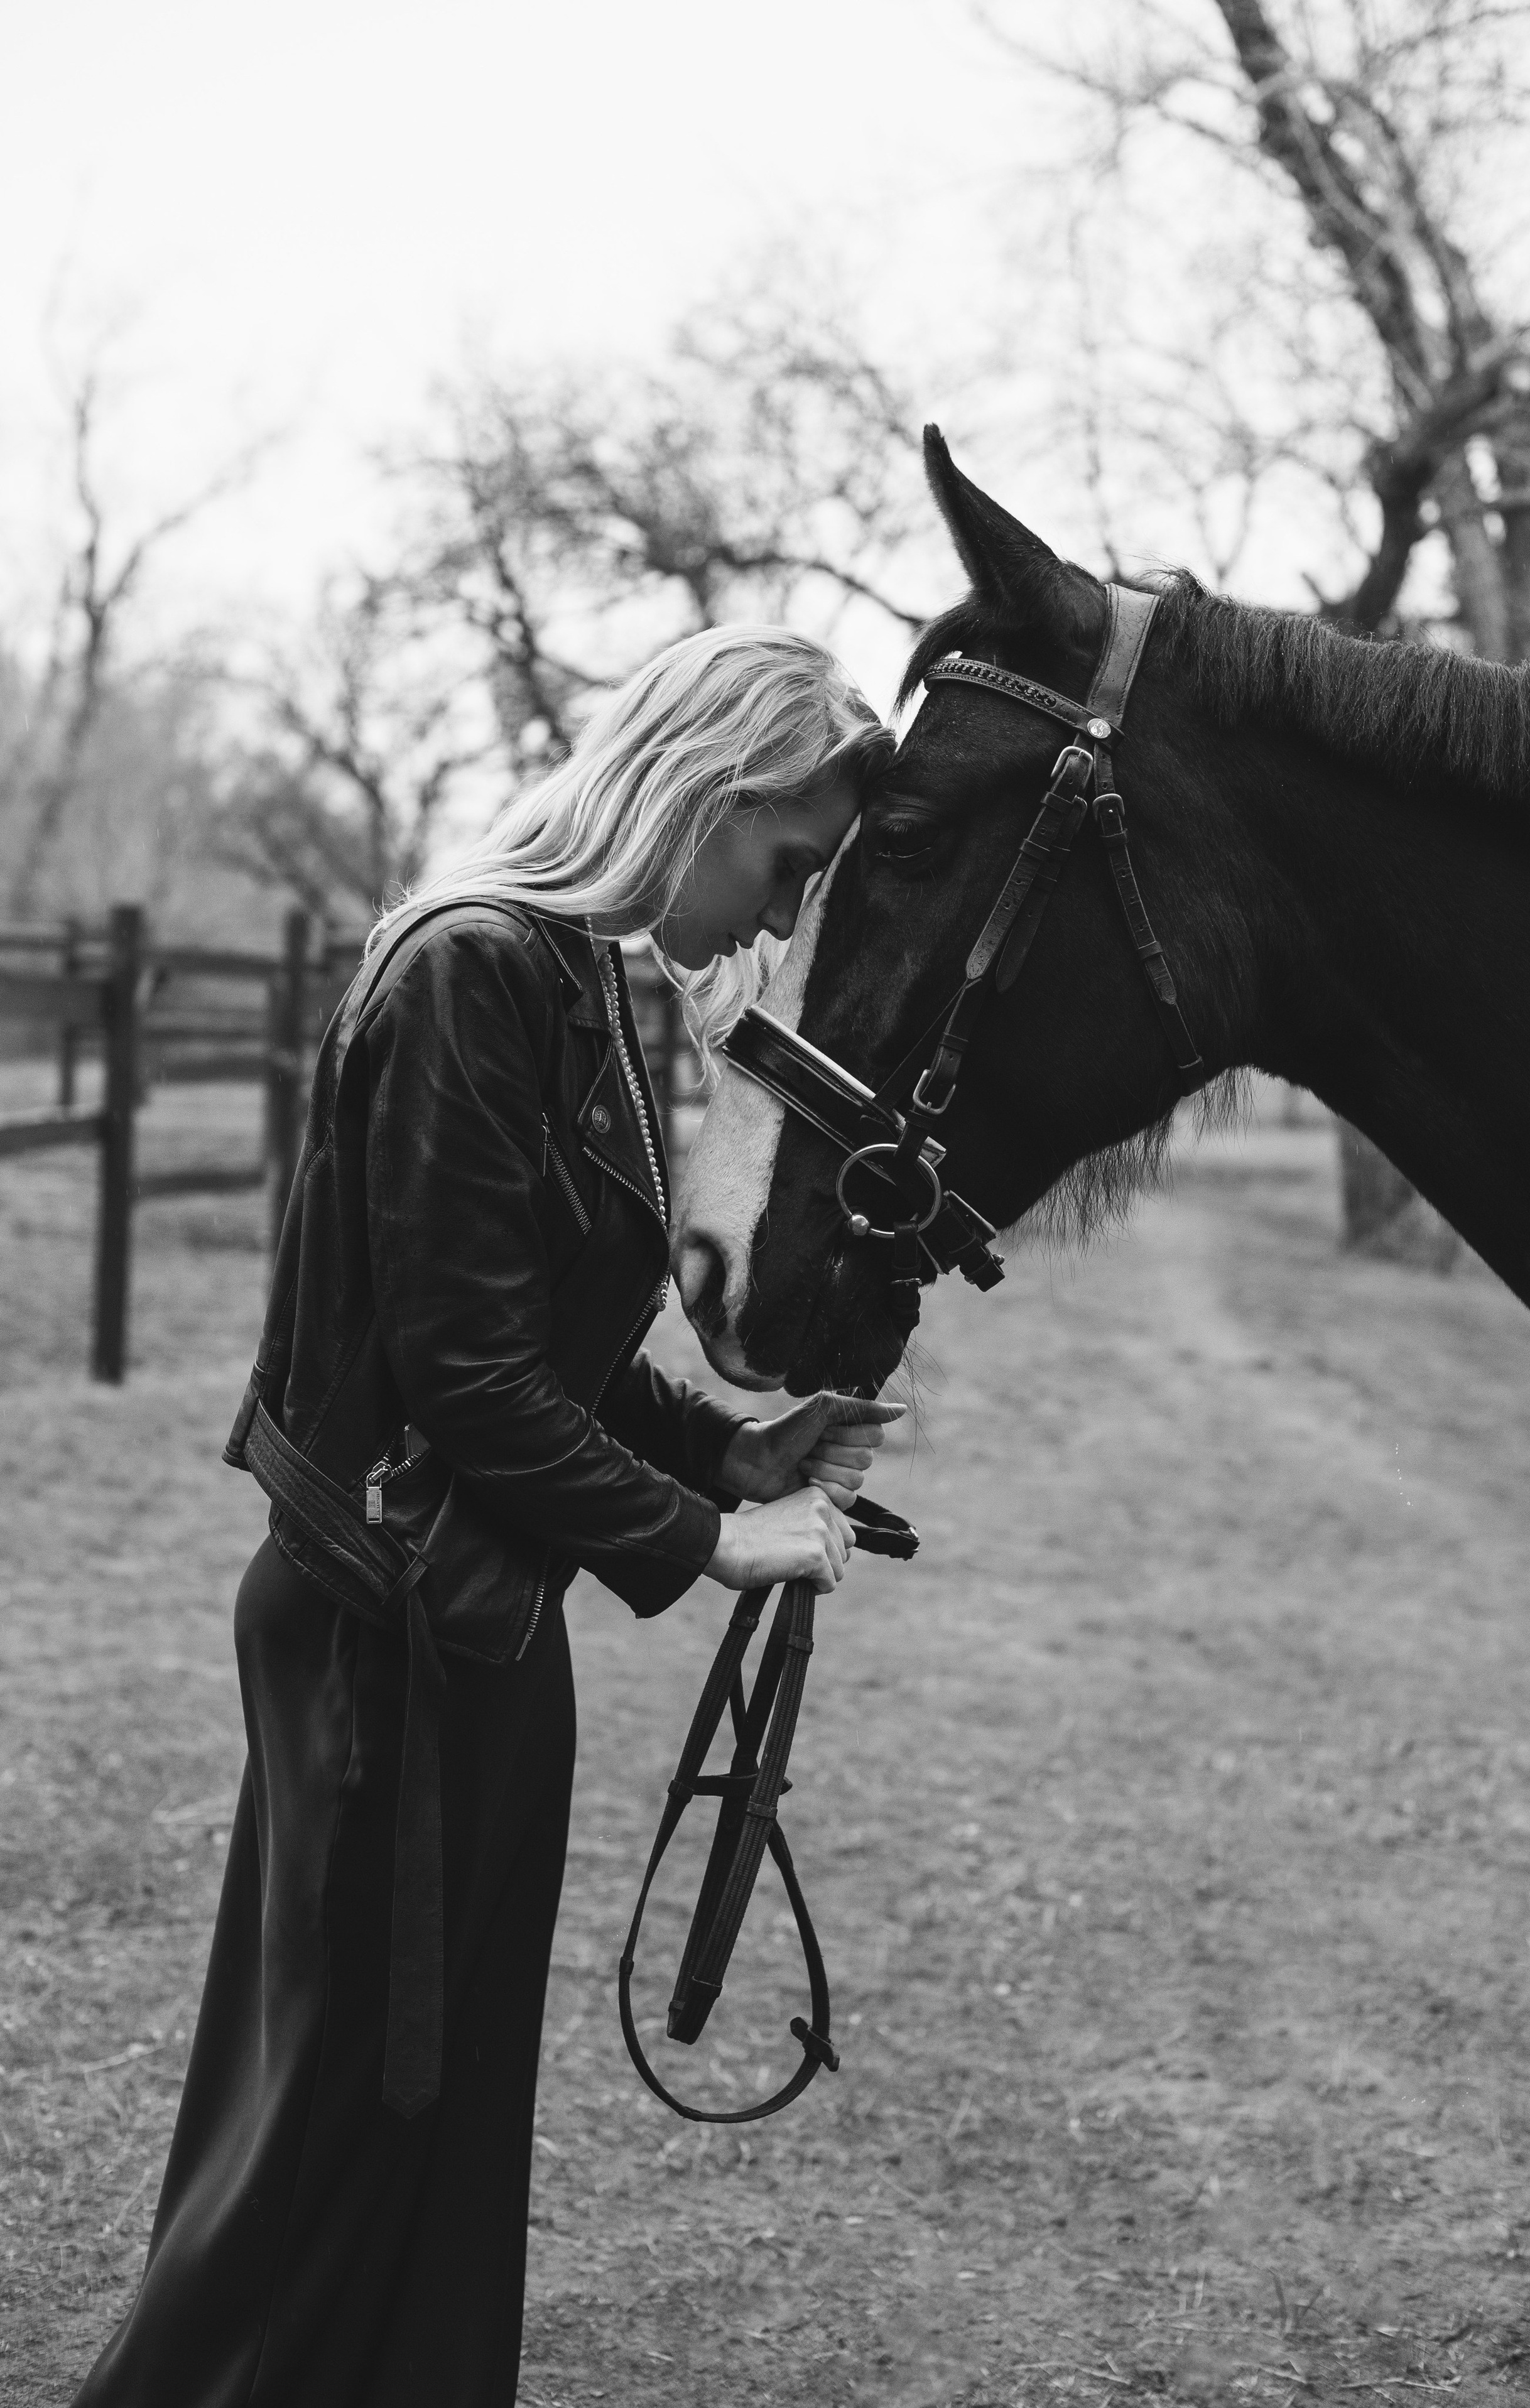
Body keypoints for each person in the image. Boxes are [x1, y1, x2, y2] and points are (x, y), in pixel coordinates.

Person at [73, 624, 903, 2408]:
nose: (772, 922)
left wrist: (735, 1453)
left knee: (424, 2125)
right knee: (324, 2127)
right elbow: (460, 1369)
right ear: (706, 786)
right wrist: (700, 1543)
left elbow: (552, 1341)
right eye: (783, 867)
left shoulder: (583, 990)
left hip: (474, 1623)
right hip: (387, 1633)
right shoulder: (476, 966)